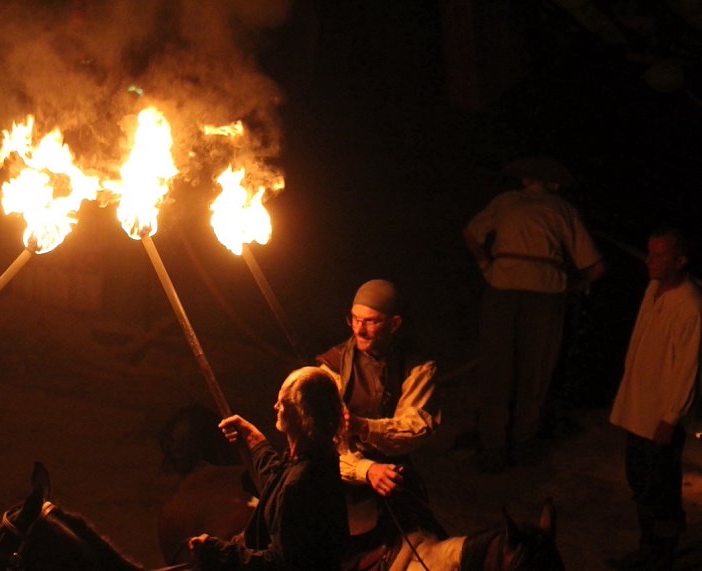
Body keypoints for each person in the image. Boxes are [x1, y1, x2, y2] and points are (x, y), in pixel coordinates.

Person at [462, 156, 606, 472]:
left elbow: (471, 234)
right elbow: (595, 267)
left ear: (526, 180)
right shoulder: (562, 210)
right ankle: (522, 444)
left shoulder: (507, 202)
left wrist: (487, 265)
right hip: (545, 294)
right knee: (536, 372)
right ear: (553, 185)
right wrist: (574, 285)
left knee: (497, 369)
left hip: (504, 287)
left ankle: (494, 448)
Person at [316, 279, 446, 537]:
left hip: (392, 472)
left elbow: (415, 429)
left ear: (394, 324)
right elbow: (322, 443)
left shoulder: (417, 367)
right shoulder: (332, 367)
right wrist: (366, 469)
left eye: (371, 322)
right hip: (338, 473)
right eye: (354, 319)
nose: (359, 330)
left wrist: (364, 427)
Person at [188, 367, 349, 570]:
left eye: (281, 404)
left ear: (300, 413)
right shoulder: (317, 456)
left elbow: (279, 564)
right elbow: (275, 487)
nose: (275, 407)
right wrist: (255, 441)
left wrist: (216, 551)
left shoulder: (301, 483)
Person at [607, 227, 702, 571]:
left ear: (680, 261)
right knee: (640, 481)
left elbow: (687, 368)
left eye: (660, 255)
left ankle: (660, 554)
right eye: (650, 252)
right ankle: (649, 549)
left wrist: (671, 416)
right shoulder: (652, 290)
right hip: (639, 408)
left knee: (659, 488)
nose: (651, 261)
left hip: (661, 417)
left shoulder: (690, 306)